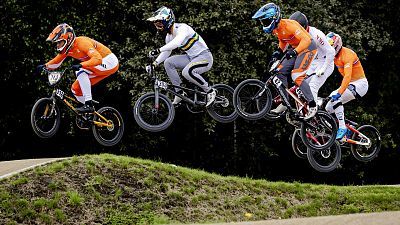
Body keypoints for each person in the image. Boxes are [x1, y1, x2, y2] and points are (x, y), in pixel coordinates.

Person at [252, 3, 318, 120]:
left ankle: (313, 105)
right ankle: (284, 101)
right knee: (279, 72)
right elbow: (283, 41)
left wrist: (295, 52)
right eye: (263, 23)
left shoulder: (290, 25)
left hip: (308, 48)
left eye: (266, 22)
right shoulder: (276, 29)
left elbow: (307, 40)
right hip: (296, 49)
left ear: (274, 17)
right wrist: (278, 52)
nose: (264, 25)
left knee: (296, 76)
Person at [37, 23, 119, 113]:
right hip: (97, 67)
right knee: (75, 89)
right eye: (57, 43)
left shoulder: (82, 43)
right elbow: (57, 62)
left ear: (68, 39)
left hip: (109, 61)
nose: (58, 46)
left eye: (59, 42)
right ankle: (91, 113)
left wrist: (81, 65)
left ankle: (89, 104)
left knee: (80, 70)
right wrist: (45, 66)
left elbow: (98, 59)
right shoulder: (67, 49)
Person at [146, 6, 216, 107]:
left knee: (187, 72)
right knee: (168, 62)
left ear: (168, 20)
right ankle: (179, 92)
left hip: (204, 57)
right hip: (191, 58)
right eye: (156, 23)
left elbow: (177, 42)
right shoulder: (169, 36)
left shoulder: (182, 28)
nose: (158, 25)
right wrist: (154, 63)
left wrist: (157, 50)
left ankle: (210, 91)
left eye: (160, 22)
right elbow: (167, 52)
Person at [325, 32, 368, 139]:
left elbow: (347, 77)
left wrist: (339, 93)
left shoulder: (348, 54)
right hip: (350, 84)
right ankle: (349, 128)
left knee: (335, 96)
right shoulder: (334, 57)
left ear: (337, 45)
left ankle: (342, 127)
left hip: (360, 84)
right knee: (328, 108)